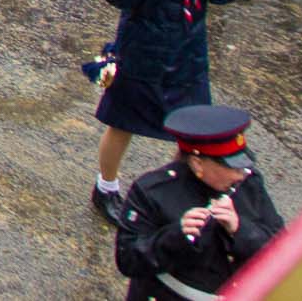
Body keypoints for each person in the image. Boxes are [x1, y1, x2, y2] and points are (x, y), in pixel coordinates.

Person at [90, 0, 244, 225]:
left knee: (192, 130)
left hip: (189, 52)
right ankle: (106, 186)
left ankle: (182, 188)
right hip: (143, 51)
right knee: (122, 121)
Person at [114, 105, 283, 301]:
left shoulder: (248, 183)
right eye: (232, 167)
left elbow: (281, 248)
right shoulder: (152, 192)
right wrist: (177, 236)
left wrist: (240, 229)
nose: (242, 173)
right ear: (197, 164)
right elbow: (128, 260)